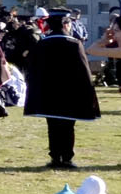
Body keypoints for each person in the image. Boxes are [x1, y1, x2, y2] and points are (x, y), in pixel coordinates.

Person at [24, 9, 99, 169]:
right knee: (68, 127)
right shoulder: (74, 44)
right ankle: (66, 158)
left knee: (52, 126)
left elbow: (33, 68)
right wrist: (88, 91)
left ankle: (55, 157)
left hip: (48, 93)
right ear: (66, 25)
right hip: (69, 93)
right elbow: (83, 70)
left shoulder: (42, 44)